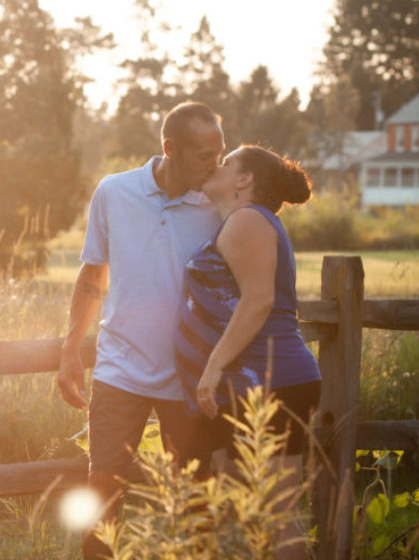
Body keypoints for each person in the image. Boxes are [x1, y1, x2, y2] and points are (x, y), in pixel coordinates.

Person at [55, 101, 225, 559]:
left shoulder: (219, 202)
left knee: (192, 494)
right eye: (205, 156)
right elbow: (94, 274)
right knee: (102, 488)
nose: (217, 165)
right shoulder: (115, 192)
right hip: (119, 369)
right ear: (169, 149)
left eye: (220, 153)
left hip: (188, 372)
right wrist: (71, 349)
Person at [175, 145, 321, 560]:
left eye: (225, 163)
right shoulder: (241, 222)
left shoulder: (247, 221)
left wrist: (213, 367)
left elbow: (258, 301)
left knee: (276, 516)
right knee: (248, 516)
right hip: (251, 384)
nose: (214, 167)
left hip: (270, 381)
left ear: (245, 180)